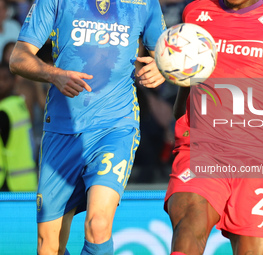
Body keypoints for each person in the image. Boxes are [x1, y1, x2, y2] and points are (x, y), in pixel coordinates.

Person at [164, 0, 263, 254]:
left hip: (259, 161)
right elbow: (188, 78)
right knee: (190, 225)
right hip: (202, 150)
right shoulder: (195, 11)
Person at [9, 0, 166, 254]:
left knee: (98, 223)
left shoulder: (144, 2)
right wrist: (53, 74)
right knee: (48, 244)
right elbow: (18, 57)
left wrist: (162, 68)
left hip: (115, 125)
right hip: (62, 128)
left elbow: (168, 55)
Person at [0, 62, 37, 191]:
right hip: (26, 181)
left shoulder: (4, 110)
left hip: (7, 182)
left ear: (15, 81)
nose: (1, 84)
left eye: (5, 79)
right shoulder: (20, 104)